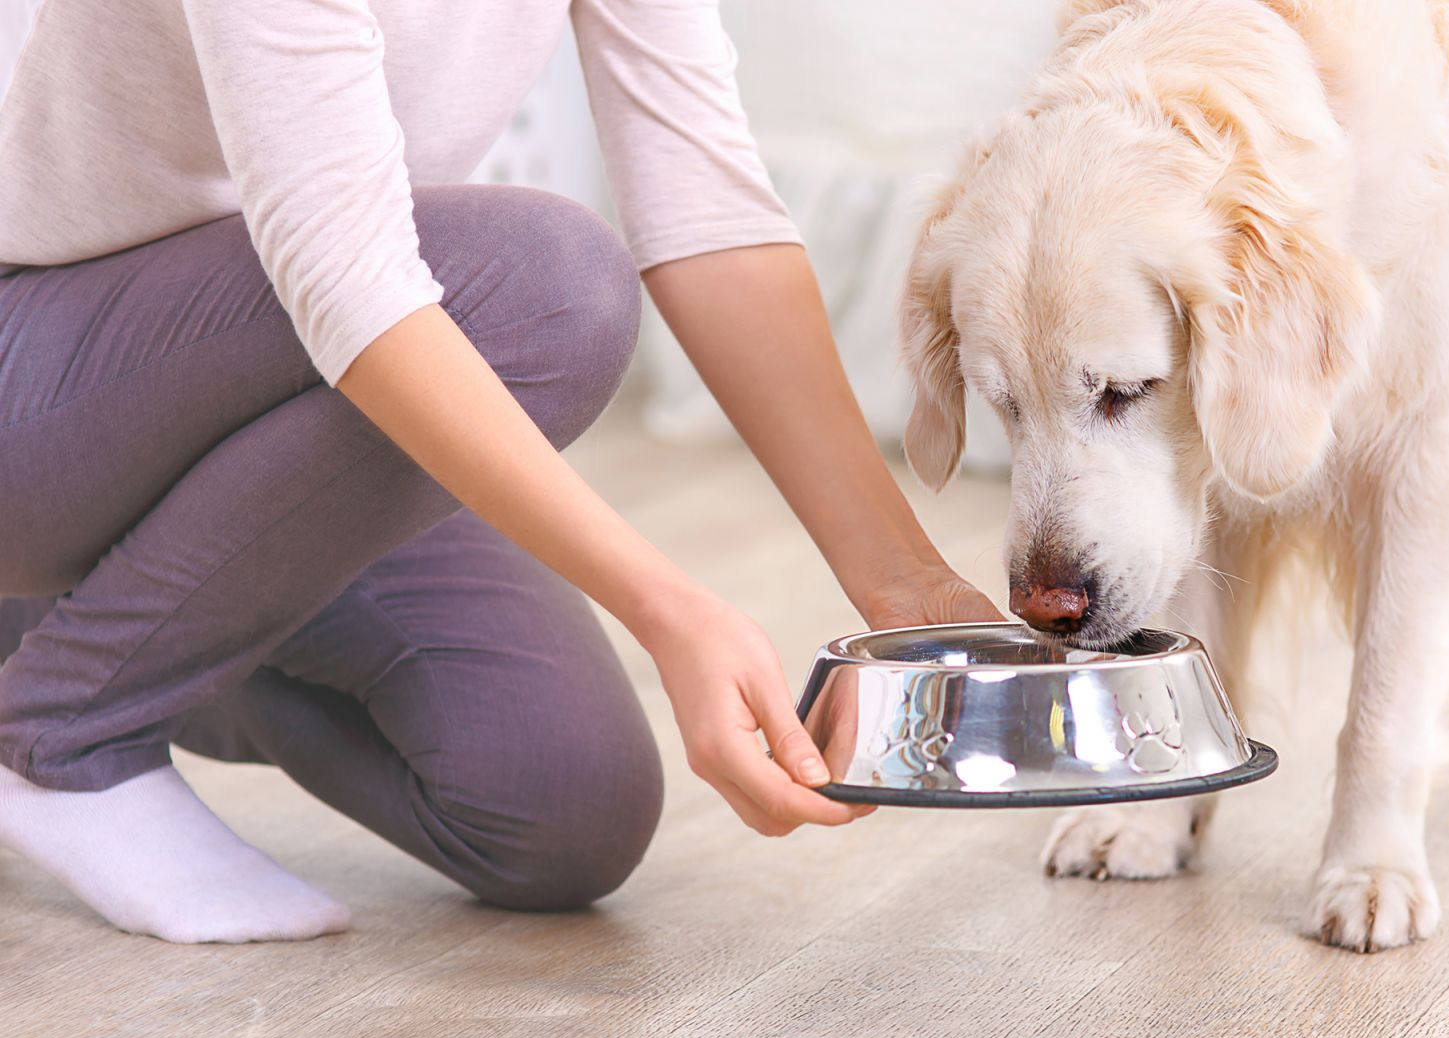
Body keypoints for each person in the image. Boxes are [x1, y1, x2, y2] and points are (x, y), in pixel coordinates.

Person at [0, 0, 997, 944]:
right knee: (546, 290)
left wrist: (904, 587)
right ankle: (60, 735)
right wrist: (668, 610)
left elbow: (710, 216)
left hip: (278, 401)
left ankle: (66, 625)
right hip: (43, 387)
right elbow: (348, 280)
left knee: (562, 807)